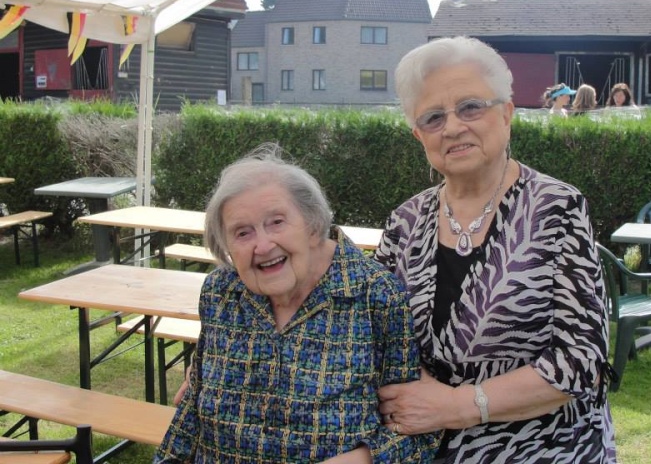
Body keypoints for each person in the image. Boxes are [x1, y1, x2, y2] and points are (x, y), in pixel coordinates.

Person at [374, 36, 616, 463]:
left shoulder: (557, 209)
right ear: (418, 135)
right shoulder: (404, 222)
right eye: (433, 117)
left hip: (548, 450)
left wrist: (457, 406)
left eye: (470, 107)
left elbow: (581, 360)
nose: (452, 127)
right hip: (425, 450)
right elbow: (377, 335)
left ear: (506, 113)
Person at [155, 145, 439, 463]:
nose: (262, 245)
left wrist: (361, 459)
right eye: (242, 232)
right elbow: (192, 410)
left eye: (276, 222)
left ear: (313, 224)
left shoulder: (376, 296)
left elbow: (418, 434)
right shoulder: (221, 292)